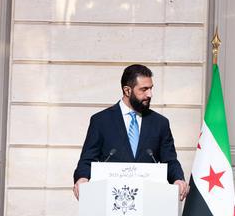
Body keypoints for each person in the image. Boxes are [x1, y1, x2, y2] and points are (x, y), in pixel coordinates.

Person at [73, 64, 188, 201]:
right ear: (127, 90)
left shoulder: (160, 123)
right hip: (111, 199)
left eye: (151, 88)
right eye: (144, 89)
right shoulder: (101, 121)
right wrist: (82, 178)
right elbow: (87, 160)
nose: (149, 94)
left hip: (149, 199)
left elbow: (170, 160)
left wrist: (178, 179)